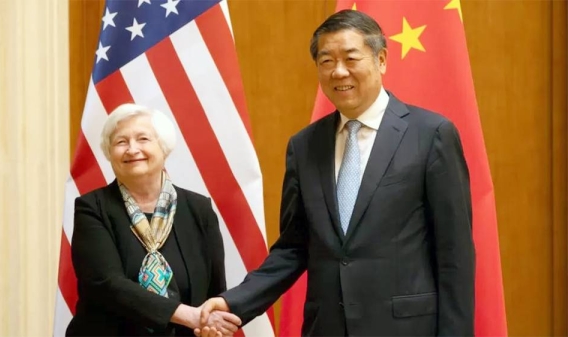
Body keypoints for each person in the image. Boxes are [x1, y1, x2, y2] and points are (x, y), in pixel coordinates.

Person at [197, 9, 475, 337]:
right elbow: (293, 247)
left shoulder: (430, 134)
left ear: (381, 59)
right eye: (326, 61)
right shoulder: (304, 146)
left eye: (350, 58)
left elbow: (454, 253)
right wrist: (233, 303)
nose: (339, 72)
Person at [66, 103, 241, 337]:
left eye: (143, 139)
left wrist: (210, 324)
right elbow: (106, 284)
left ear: (164, 147)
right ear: (109, 152)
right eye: (121, 142)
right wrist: (189, 315)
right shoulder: (92, 208)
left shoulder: (199, 209)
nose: (132, 149)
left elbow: (215, 288)